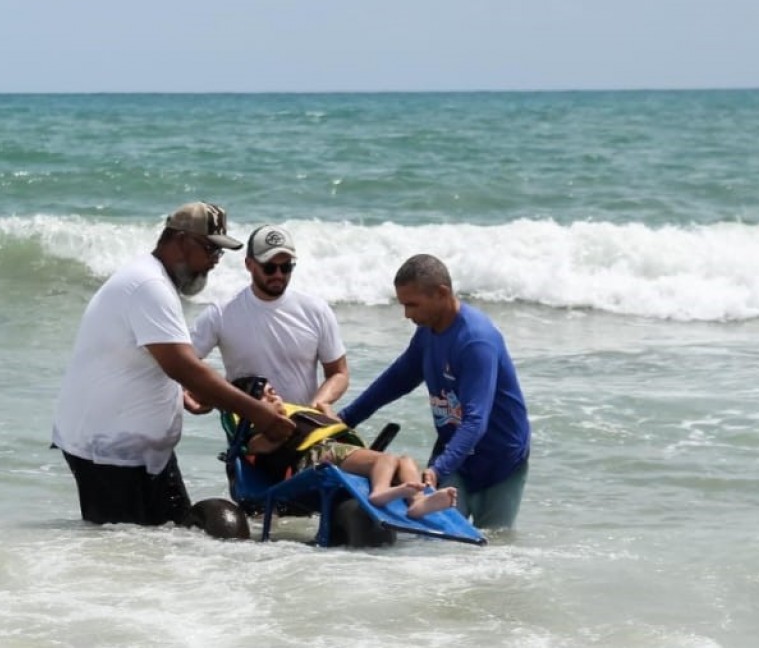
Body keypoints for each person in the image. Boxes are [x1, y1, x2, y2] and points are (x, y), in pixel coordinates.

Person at [51, 202, 295, 527]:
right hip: (109, 452)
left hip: (146, 455)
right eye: (210, 249)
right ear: (180, 240)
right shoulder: (149, 286)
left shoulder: (155, 281)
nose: (214, 261)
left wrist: (180, 393)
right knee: (122, 561)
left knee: (170, 547)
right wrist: (258, 413)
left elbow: (153, 360)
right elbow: (183, 366)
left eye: (219, 253)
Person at [336, 254, 531, 530]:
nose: (407, 314)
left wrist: (438, 469)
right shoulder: (428, 333)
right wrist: (345, 419)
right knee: (435, 535)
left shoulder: (475, 341)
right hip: (455, 458)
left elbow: (476, 420)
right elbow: (396, 380)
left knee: (491, 548)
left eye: (412, 305)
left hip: (501, 462)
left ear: (441, 293)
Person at [235, 376, 457, 519]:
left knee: (406, 460)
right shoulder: (259, 432)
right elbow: (258, 448)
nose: (273, 396)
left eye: (273, 391)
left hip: (331, 451)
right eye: (263, 397)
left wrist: (326, 413)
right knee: (384, 459)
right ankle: (379, 492)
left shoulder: (297, 413)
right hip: (313, 460)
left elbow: (336, 428)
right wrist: (273, 421)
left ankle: (418, 502)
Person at [190, 224, 349, 413]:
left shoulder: (316, 310)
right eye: (269, 267)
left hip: (303, 428)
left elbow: (339, 373)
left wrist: (316, 406)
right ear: (249, 264)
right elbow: (182, 364)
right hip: (247, 429)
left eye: (286, 267)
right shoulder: (221, 313)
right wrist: (204, 395)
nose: (278, 275)